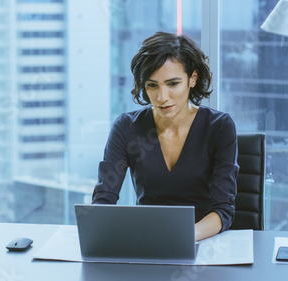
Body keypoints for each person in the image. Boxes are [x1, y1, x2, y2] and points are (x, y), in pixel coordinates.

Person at [92, 31, 239, 241]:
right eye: (152, 85)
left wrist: (183, 237)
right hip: (146, 240)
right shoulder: (126, 127)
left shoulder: (219, 127)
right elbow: (103, 200)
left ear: (193, 78)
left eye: (172, 84)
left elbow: (223, 210)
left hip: (202, 239)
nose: (162, 97)